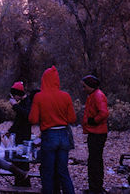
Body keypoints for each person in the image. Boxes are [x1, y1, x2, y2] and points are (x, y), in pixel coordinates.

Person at [28, 66, 76, 194]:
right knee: (63, 171)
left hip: (49, 135)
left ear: (44, 80)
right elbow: (72, 118)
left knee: (47, 172)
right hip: (63, 135)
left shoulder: (39, 97)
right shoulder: (66, 96)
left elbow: (32, 119)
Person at [82, 75, 109, 194]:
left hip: (98, 133)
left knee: (95, 161)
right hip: (95, 132)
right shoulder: (93, 95)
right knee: (94, 160)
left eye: (84, 86)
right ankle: (94, 187)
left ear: (90, 86)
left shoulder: (98, 95)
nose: (83, 89)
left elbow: (104, 113)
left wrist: (93, 120)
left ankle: (96, 188)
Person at [8, 81, 32, 187]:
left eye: (14, 95)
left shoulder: (27, 102)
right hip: (19, 137)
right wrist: (10, 131)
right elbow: (18, 121)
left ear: (18, 93)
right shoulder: (22, 103)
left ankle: (24, 185)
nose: (13, 98)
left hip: (24, 138)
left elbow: (27, 116)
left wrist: (14, 106)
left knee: (22, 162)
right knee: (18, 162)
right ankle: (19, 184)